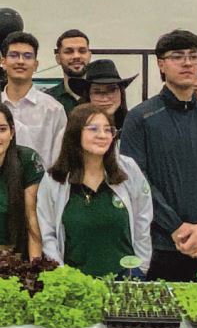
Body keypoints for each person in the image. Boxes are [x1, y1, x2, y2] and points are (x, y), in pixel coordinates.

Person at [120, 30, 197, 281]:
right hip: (161, 243)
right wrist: (175, 227)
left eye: (193, 56)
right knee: (160, 317)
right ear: (161, 64)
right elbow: (137, 181)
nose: (187, 62)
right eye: (177, 56)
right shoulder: (140, 118)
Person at [36, 105, 153, 276]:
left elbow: (143, 220)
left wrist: (140, 267)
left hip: (125, 280)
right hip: (76, 284)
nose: (103, 135)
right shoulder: (55, 179)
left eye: (108, 130)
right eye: (93, 129)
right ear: (75, 133)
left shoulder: (128, 170)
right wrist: (63, 276)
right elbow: (48, 235)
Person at [0, 32, 67, 169]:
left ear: (36, 65)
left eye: (27, 56)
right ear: (3, 62)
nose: (20, 61)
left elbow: (59, 161)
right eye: (14, 55)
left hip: (42, 187)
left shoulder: (53, 110)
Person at [0, 103, 44, 259]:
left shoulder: (26, 160)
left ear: (12, 132)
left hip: (15, 257)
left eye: (2, 129)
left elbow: (32, 218)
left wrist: (35, 265)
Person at [69, 59, 137, 132]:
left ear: (121, 92)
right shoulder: (76, 129)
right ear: (88, 96)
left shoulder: (135, 125)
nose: (105, 98)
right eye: (97, 92)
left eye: (112, 90)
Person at [45, 29, 92, 115]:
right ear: (58, 59)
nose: (76, 56)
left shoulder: (100, 97)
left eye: (82, 51)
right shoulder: (47, 99)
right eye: (68, 52)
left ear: (89, 56)